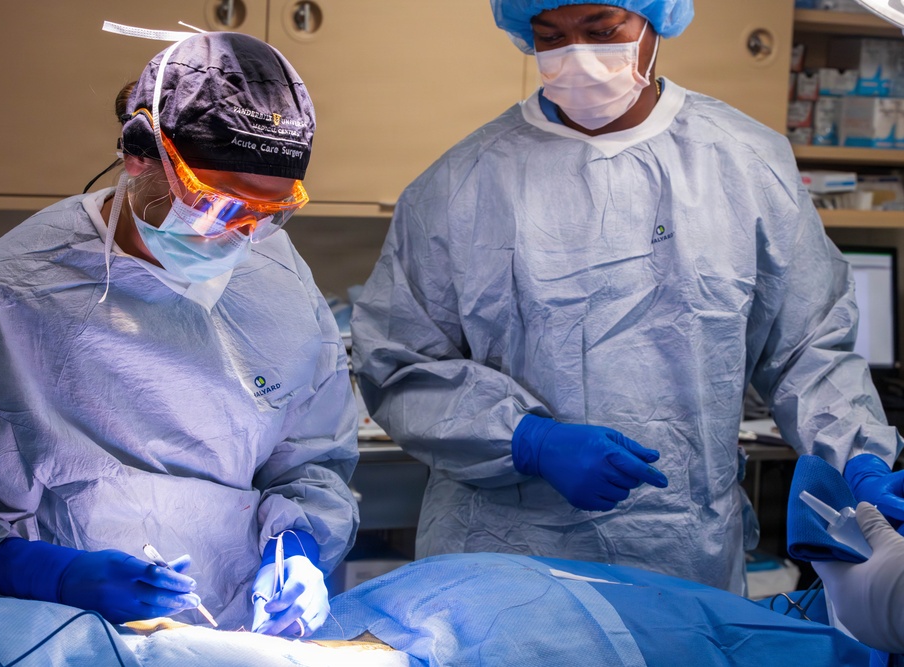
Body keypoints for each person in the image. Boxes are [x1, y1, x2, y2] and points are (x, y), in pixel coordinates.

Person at [349, 0, 904, 595]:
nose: (577, 56)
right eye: (550, 36)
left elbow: (807, 348)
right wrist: (527, 441)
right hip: (503, 561)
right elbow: (399, 363)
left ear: (655, 20)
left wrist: (859, 457)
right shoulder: (461, 183)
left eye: (601, 30)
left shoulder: (744, 165)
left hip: (683, 556)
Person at [0, 26, 359, 637]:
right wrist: (44, 572)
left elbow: (312, 458)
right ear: (141, 154)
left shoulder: (276, 275)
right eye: (218, 205)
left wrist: (299, 546)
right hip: (55, 634)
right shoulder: (13, 295)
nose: (239, 237)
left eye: (267, 215)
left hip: (236, 635)